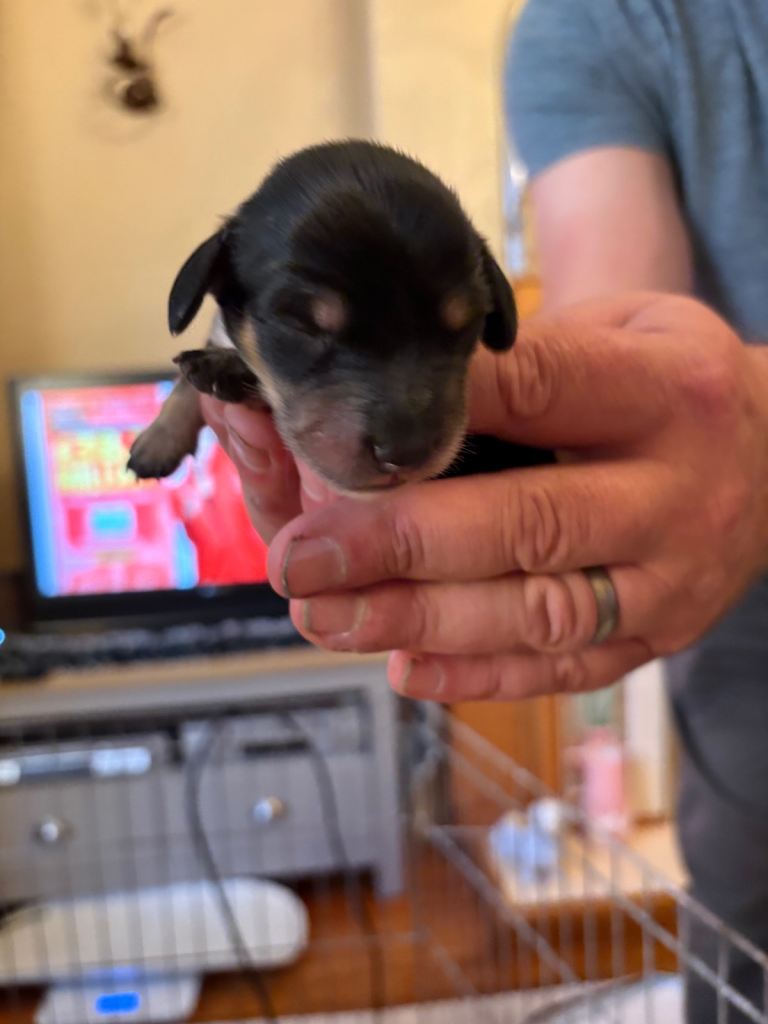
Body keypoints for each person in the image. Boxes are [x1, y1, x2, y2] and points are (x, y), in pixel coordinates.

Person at [200, 8, 768, 1017]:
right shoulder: (601, 22)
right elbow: (620, 331)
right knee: (746, 930)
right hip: (749, 617)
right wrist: (611, 463)